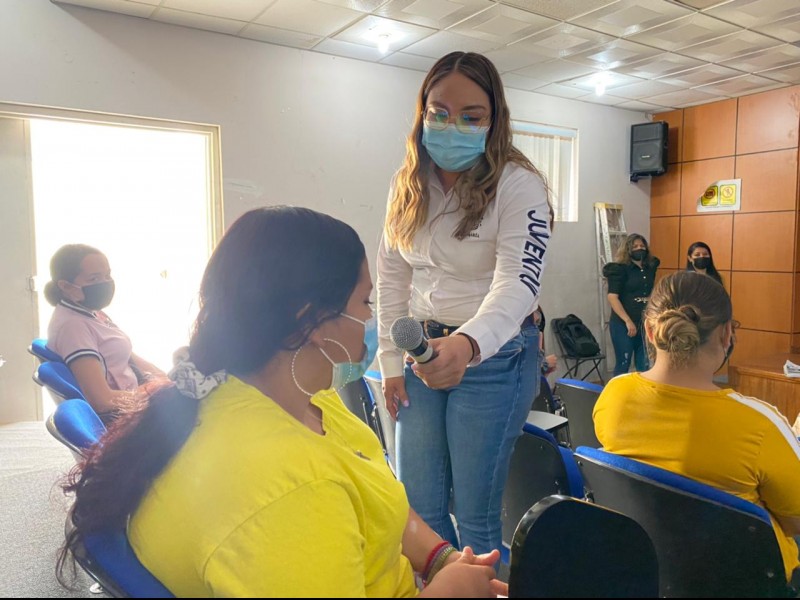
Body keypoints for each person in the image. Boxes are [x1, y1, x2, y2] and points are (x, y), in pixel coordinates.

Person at [58, 207, 506, 598]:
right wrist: (449, 592)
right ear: (311, 319)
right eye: (365, 301)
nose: (373, 318)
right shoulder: (287, 488)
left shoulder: (290, 398)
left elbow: (375, 498)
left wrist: (440, 558)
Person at [376, 51, 552, 555]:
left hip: (494, 356)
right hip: (421, 348)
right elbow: (392, 276)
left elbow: (518, 283)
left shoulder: (519, 185)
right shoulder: (409, 183)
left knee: (475, 516)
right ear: (423, 113)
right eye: (440, 113)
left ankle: (479, 586)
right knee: (421, 505)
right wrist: (390, 362)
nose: (452, 126)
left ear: (494, 120)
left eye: (471, 117)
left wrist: (469, 343)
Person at [594, 271, 800, 586]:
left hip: (649, 571)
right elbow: (795, 521)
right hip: (745, 580)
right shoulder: (760, 423)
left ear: (649, 331)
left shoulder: (614, 396)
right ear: (726, 335)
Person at [44, 244, 165, 421]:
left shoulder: (93, 313)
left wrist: (167, 381)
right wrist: (153, 392)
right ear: (66, 286)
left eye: (107, 275)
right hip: (123, 417)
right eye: (94, 279)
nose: (105, 283)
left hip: (135, 399)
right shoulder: (73, 327)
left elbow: (130, 357)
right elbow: (102, 400)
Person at [602, 233, 659, 377]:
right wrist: (627, 320)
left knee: (644, 362)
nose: (639, 248)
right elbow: (612, 297)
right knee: (624, 362)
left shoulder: (650, 267)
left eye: (642, 246)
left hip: (643, 320)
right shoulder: (619, 270)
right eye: (635, 246)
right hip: (623, 322)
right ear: (628, 249)